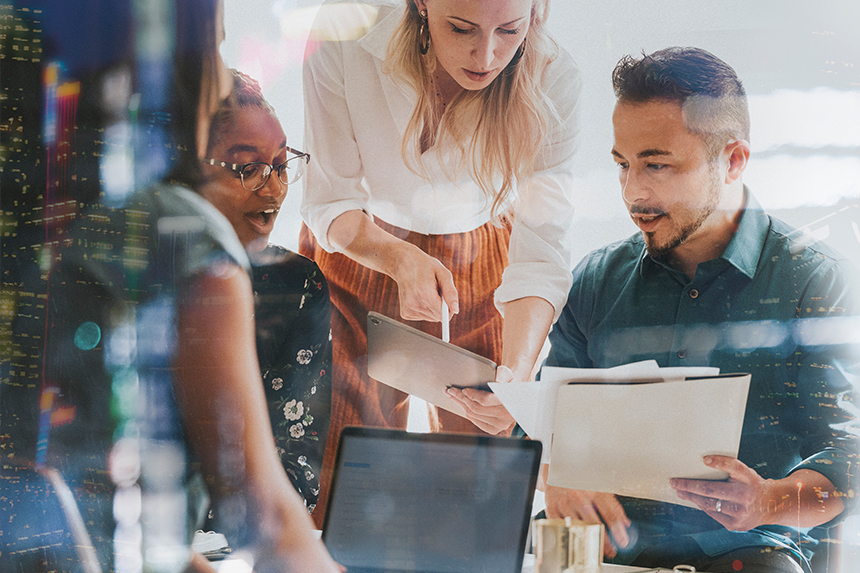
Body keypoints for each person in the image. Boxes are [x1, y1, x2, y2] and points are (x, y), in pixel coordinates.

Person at [29, 1, 340, 571]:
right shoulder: (182, 237)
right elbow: (265, 519)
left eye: (279, 164)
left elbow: (106, 513)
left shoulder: (44, 210)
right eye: (216, 46)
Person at [542, 47, 860, 573]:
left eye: (657, 165)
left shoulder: (814, 279)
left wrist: (768, 501)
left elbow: (848, 453)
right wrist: (557, 472)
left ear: (733, 160)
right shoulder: (596, 280)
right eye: (623, 165)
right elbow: (541, 420)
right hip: (603, 553)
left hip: (749, 554)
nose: (633, 192)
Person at [300, 0, 581, 524]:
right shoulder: (345, 25)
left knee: (482, 498)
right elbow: (328, 202)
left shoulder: (555, 78)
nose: (487, 54)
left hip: (488, 267)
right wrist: (395, 256)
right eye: (461, 27)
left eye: (510, 30)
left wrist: (517, 378)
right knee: (335, 487)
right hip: (357, 249)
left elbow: (540, 254)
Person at [199, 69, 332, 514]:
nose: (274, 189)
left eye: (280, 166)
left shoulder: (297, 286)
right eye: (249, 168)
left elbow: (297, 470)